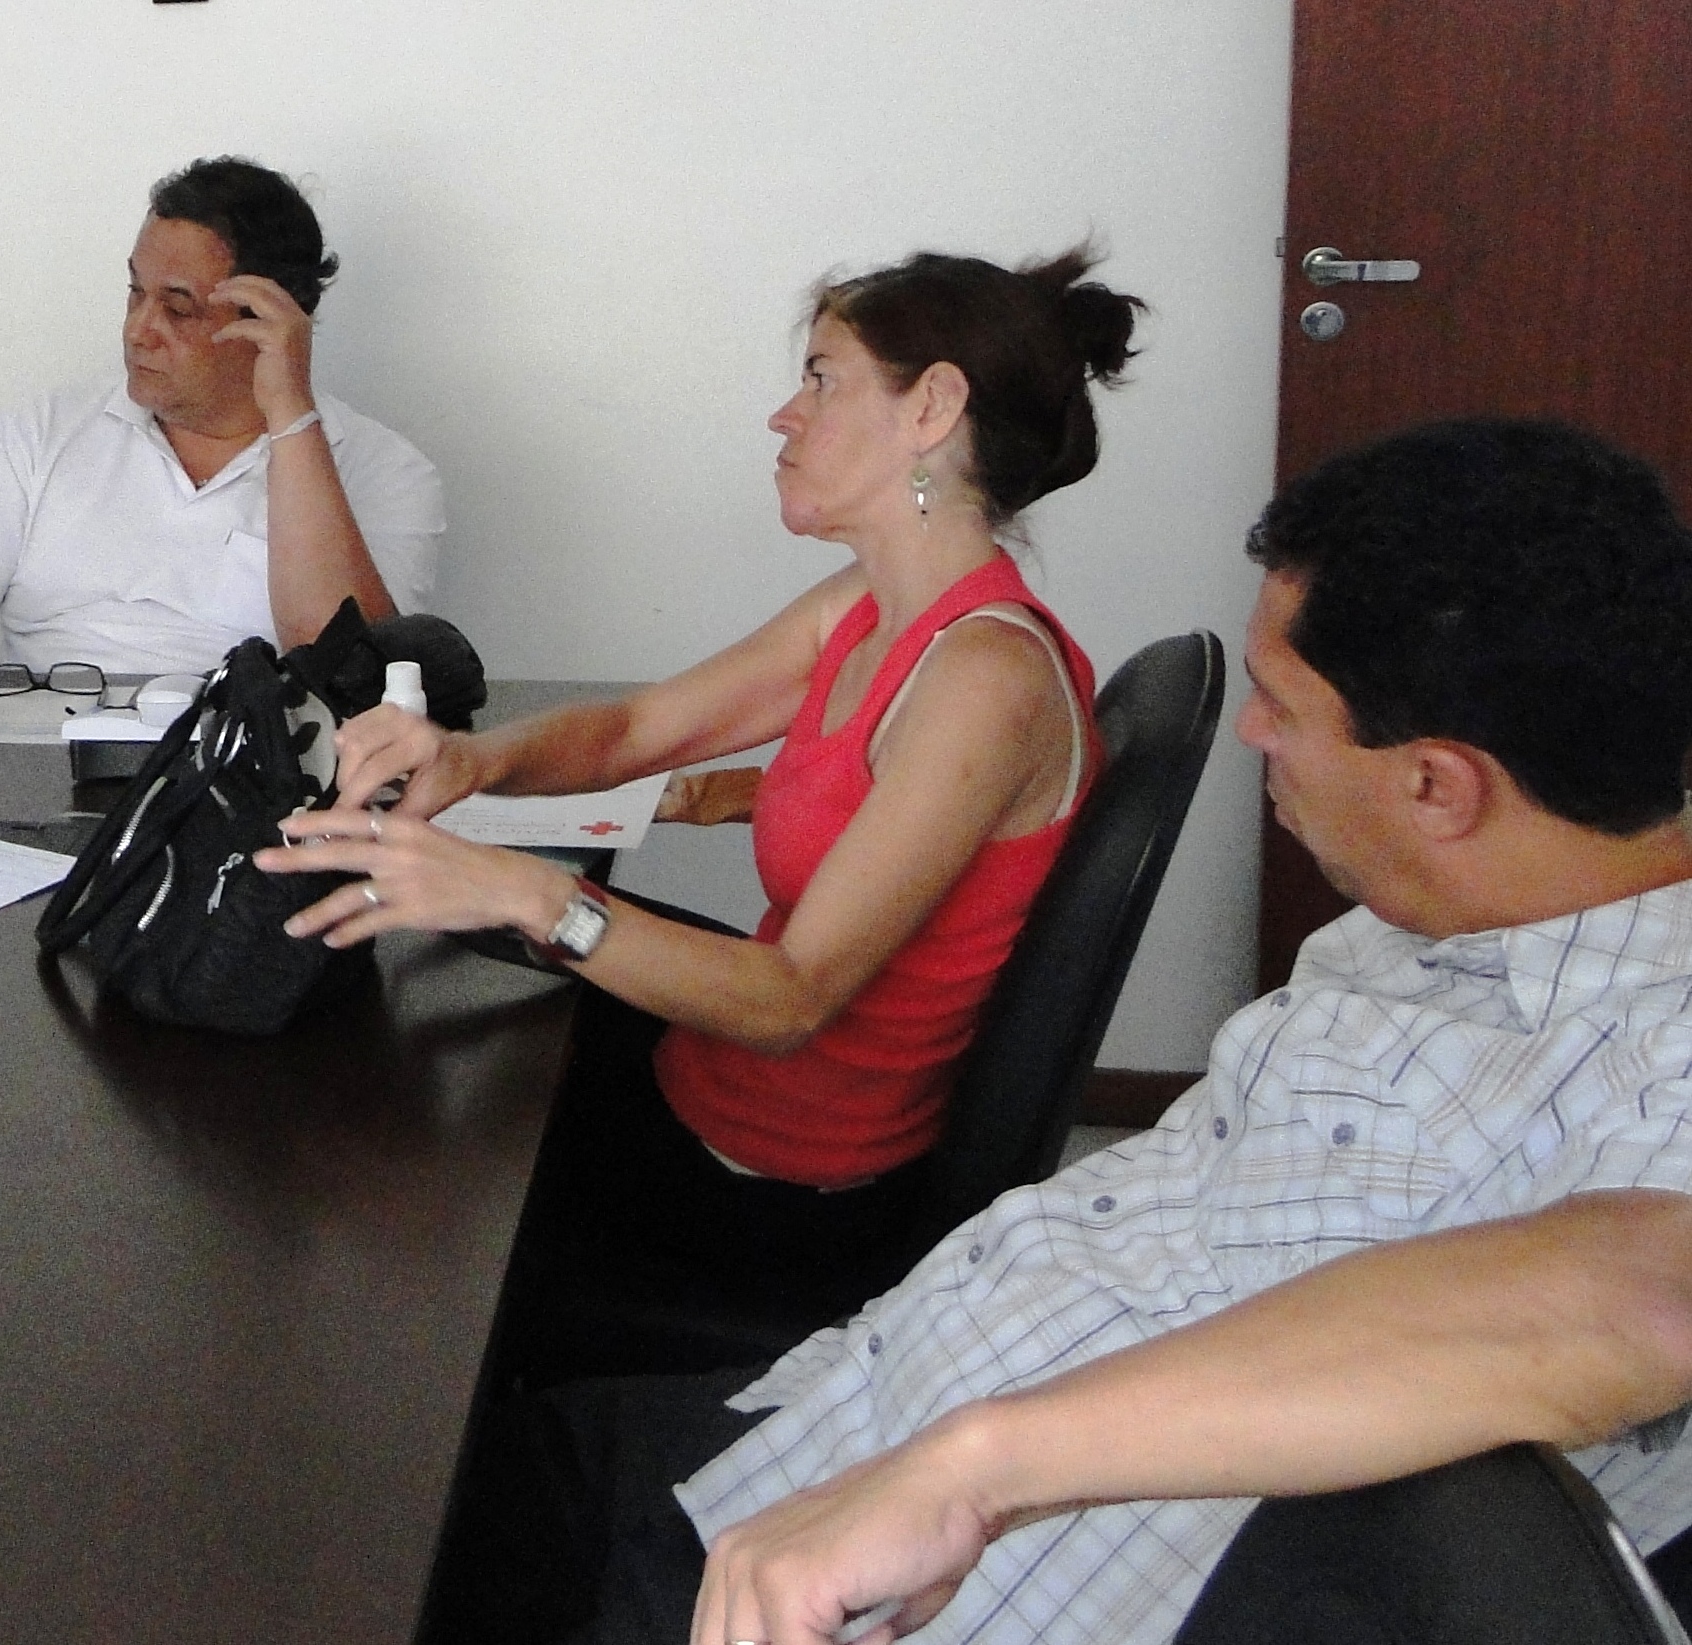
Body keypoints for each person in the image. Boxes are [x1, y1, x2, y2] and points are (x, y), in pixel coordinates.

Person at [437, 419, 1692, 1644]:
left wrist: (974, 1468)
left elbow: (1641, 1301)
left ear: (1437, 785)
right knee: (436, 1477)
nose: (1251, 733)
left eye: (1280, 706)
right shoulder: (1422, 921)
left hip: (922, 1579)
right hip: (837, 1419)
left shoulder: (1655, 1045)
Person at [262, 250, 1142, 1321]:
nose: (785, 414)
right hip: (714, 1091)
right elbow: (641, 728)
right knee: (404, 1064)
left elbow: (789, 998)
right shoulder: (871, 606)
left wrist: (527, 892)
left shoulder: (985, 678)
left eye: (820, 379)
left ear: (932, 408)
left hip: (778, 1195)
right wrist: (470, 760)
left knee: (356, 1181)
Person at [0, 155, 444, 730]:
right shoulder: (43, 431)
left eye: (178, 309)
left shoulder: (383, 471)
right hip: (48, 755)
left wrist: (290, 418)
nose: (138, 330)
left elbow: (350, 683)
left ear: (266, 323)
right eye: (136, 292)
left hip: (256, 764)